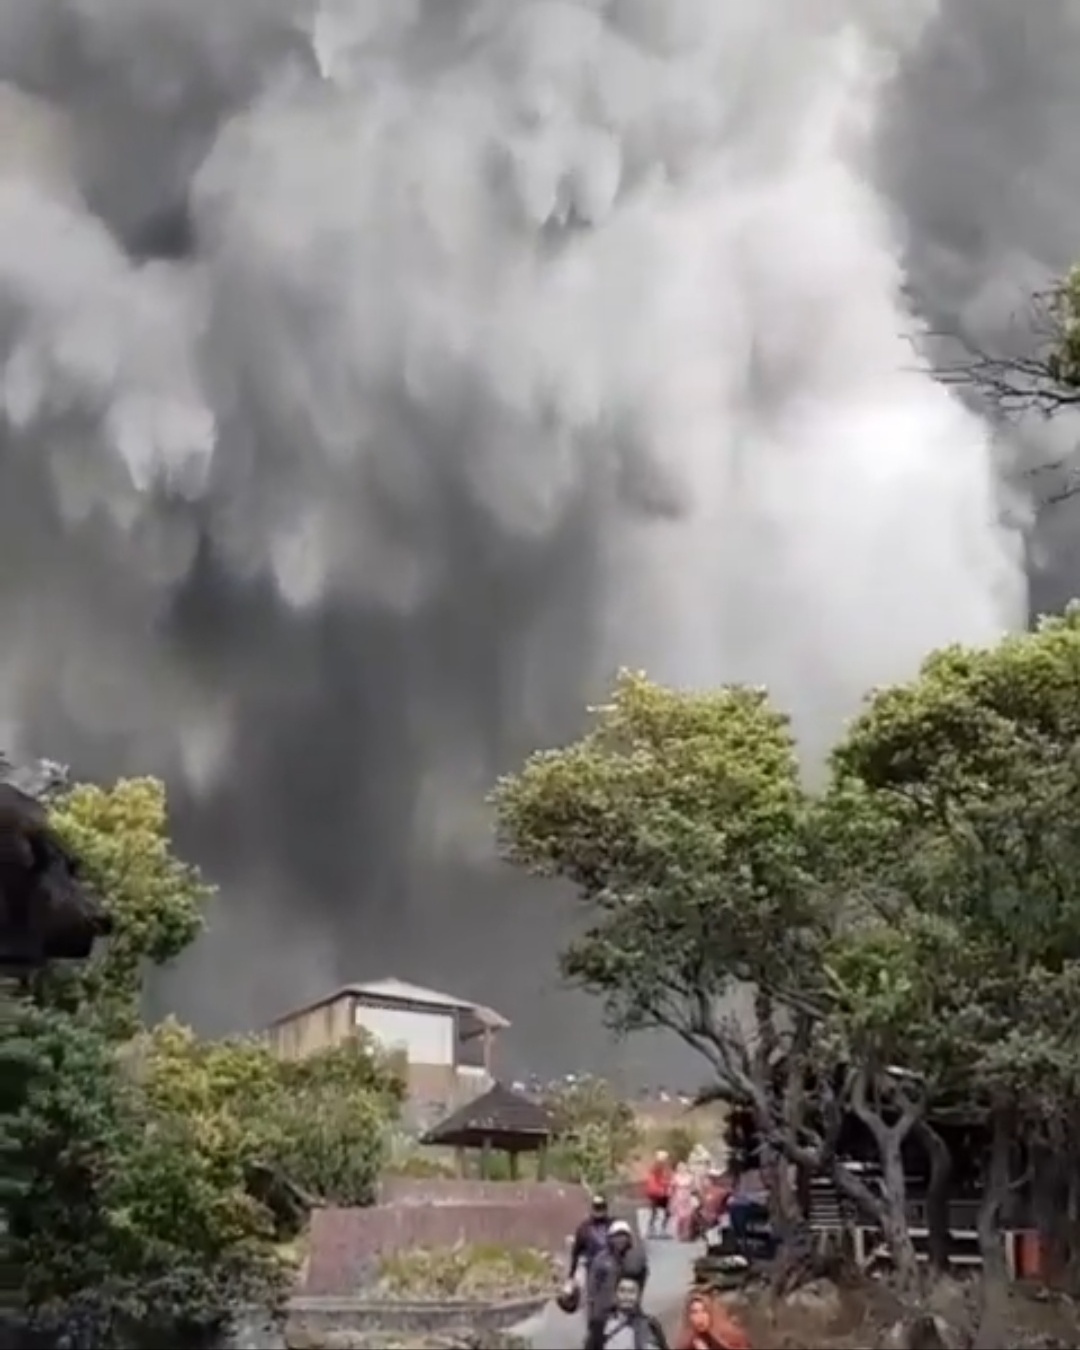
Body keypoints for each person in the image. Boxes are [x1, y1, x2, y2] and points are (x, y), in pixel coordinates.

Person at [585, 1218, 650, 1348]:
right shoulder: (601, 1260)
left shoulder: (634, 1260)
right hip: (603, 1312)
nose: (620, 1240)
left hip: (630, 1311)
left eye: (624, 1236)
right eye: (617, 1236)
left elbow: (642, 1281)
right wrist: (592, 1313)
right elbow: (592, 1287)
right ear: (610, 1238)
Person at [584, 1274, 668, 1349]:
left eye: (631, 1292)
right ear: (615, 1294)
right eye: (622, 1291)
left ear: (639, 1296)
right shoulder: (600, 1325)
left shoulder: (650, 1326)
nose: (626, 1296)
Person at [564, 1194, 613, 1295]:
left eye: (601, 1207)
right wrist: (571, 1275)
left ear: (605, 1208)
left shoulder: (612, 1225)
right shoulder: (584, 1228)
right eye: (596, 1207)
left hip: (610, 1268)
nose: (599, 1211)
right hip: (591, 1268)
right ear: (592, 1208)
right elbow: (576, 1252)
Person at [673, 1289, 750, 1350]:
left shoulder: (729, 1338)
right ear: (689, 1317)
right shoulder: (688, 1344)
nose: (700, 1317)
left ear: (711, 1313)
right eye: (694, 1312)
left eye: (704, 1311)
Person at [644, 1149, 674, 1238]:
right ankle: (653, 1229)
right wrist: (663, 1185)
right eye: (663, 1157)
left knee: (665, 1212)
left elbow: (669, 1177)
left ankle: (660, 1228)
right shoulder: (656, 1167)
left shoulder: (666, 1167)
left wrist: (668, 1185)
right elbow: (654, 1179)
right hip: (657, 1193)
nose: (664, 1159)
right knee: (656, 1212)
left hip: (663, 1193)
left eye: (665, 1157)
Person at [670, 1160, 696, 1241]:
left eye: (683, 1166)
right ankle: (679, 1233)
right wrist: (671, 1199)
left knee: (688, 1217)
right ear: (677, 1168)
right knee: (680, 1217)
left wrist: (692, 1195)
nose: (682, 1168)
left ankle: (686, 1234)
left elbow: (694, 1187)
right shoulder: (675, 1177)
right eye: (680, 1167)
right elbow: (671, 1188)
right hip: (678, 1197)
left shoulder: (690, 1177)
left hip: (687, 1197)